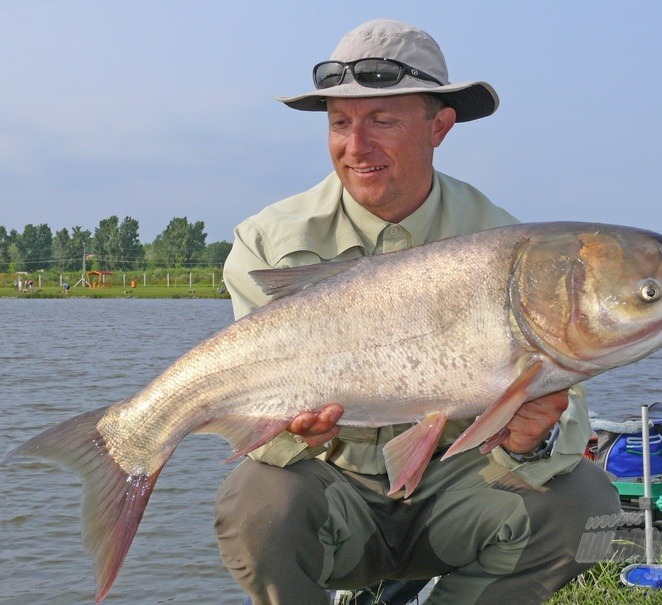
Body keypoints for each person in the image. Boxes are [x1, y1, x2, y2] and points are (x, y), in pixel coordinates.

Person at [216, 19, 621, 605]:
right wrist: (285, 434)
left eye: (382, 120)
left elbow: (567, 395)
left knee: (590, 506)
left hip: (459, 483)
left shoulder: (506, 245)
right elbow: (251, 418)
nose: (356, 147)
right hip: (336, 486)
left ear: (439, 126)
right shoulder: (266, 242)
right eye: (340, 123)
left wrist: (536, 434)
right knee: (256, 502)